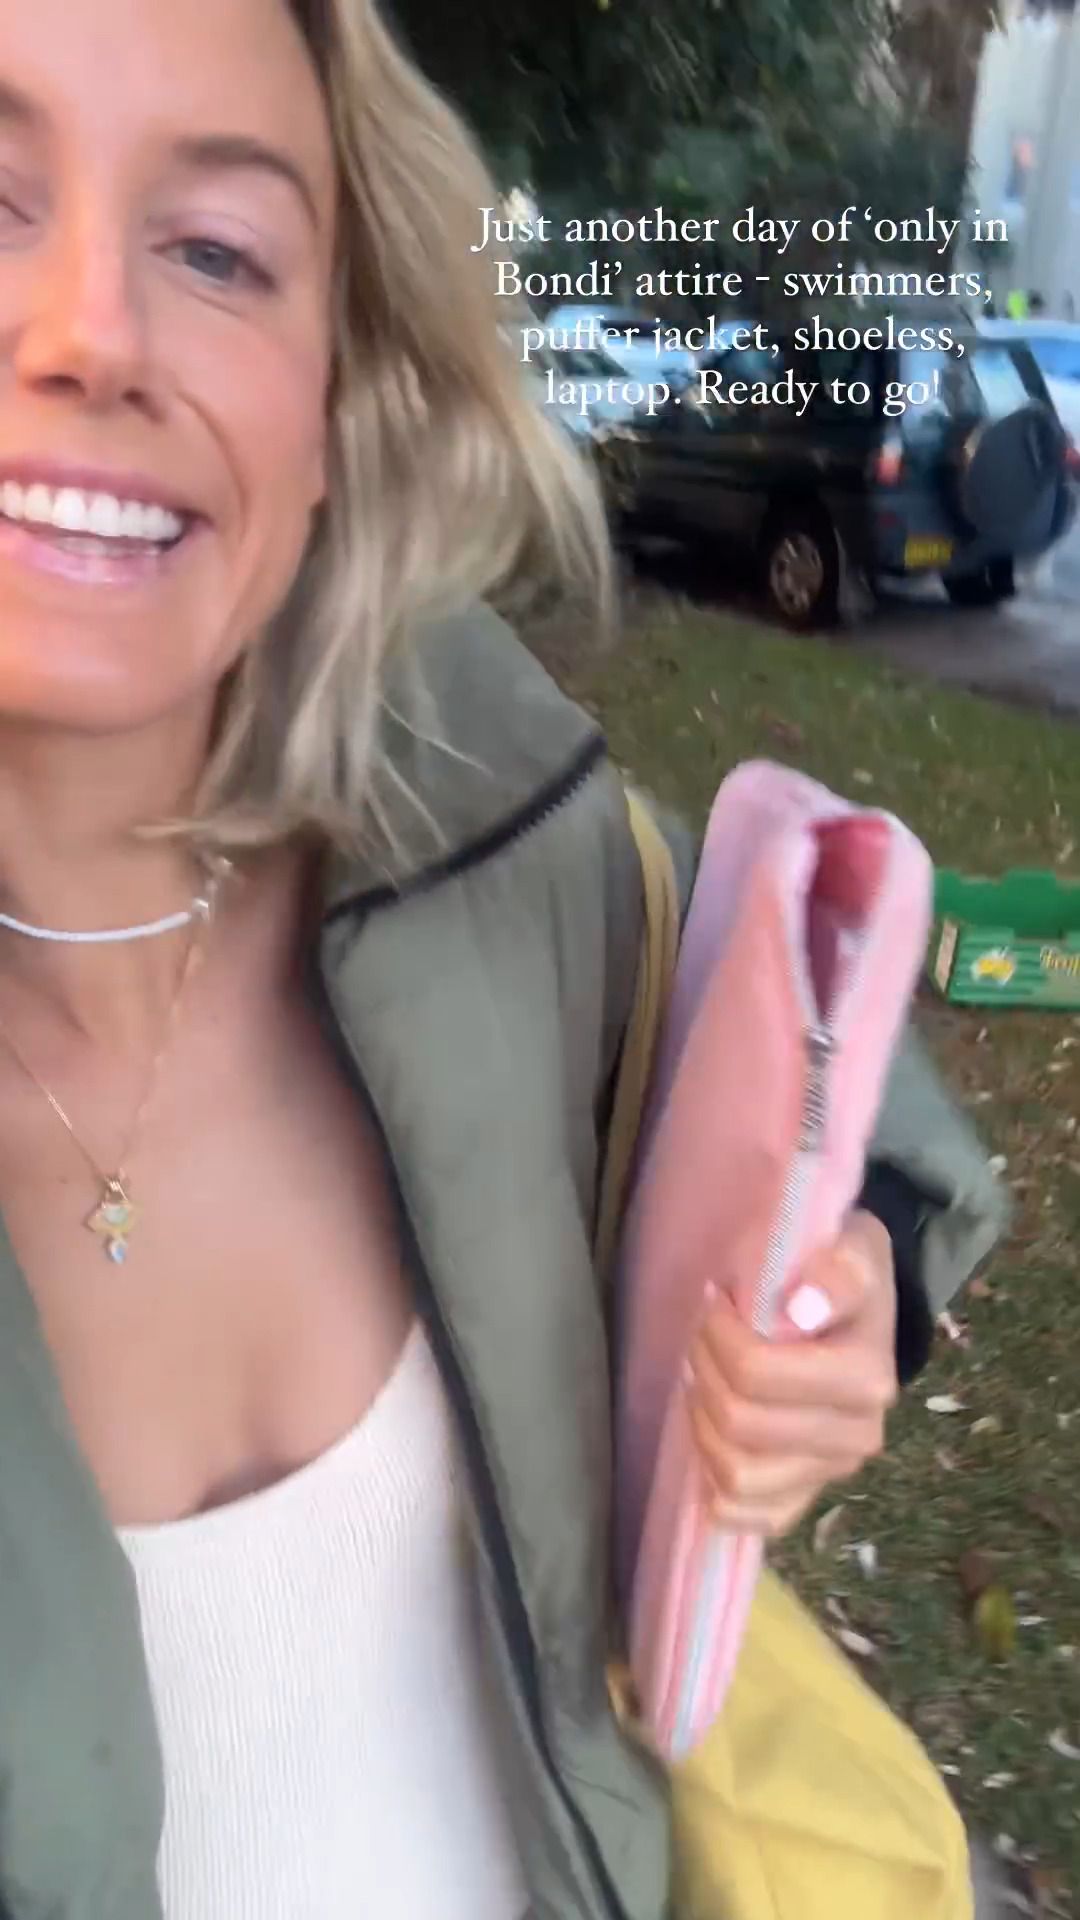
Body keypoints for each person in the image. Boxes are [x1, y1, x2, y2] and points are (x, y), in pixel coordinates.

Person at [0, 2, 1004, 1917]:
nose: (90, 332)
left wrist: (844, 1297)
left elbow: (828, 1072)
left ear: (331, 404)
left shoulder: (494, 832)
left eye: (216, 250)